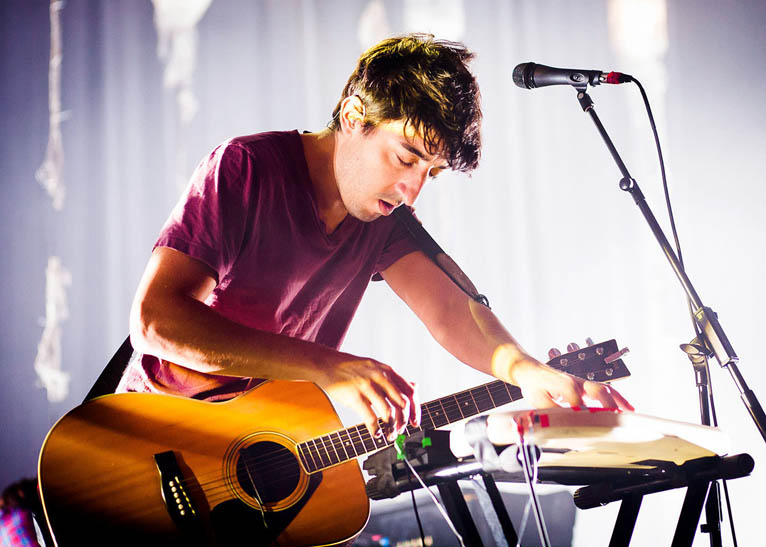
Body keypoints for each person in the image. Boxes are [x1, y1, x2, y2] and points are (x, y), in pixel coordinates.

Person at [118, 34, 632, 442]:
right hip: (160, 443)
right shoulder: (245, 168)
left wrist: (527, 371)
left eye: (430, 173)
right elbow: (156, 319)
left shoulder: (385, 220)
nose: (412, 191)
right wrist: (327, 366)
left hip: (262, 445)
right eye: (406, 158)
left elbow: (453, 312)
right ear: (353, 116)